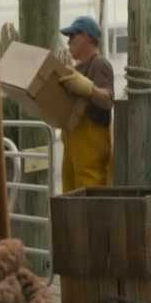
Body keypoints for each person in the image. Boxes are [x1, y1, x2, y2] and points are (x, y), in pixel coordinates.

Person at [57, 16, 115, 191]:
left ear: (87, 37)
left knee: (90, 198)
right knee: (69, 196)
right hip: (72, 146)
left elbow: (108, 99)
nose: (68, 41)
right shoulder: (75, 69)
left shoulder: (99, 64)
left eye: (72, 36)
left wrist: (89, 88)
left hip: (91, 150)